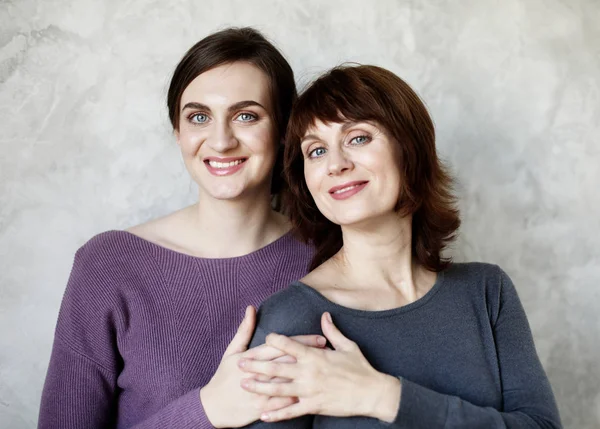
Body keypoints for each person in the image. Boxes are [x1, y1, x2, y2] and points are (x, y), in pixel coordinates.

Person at [237, 64, 563, 428]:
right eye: (315, 151)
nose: (336, 164)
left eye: (358, 138)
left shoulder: (487, 292)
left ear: (409, 149)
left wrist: (383, 396)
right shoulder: (289, 321)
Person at [37, 27, 327, 429]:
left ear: (282, 133)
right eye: (199, 117)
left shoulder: (329, 259)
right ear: (178, 132)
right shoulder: (107, 265)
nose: (221, 140)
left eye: (246, 115)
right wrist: (207, 409)